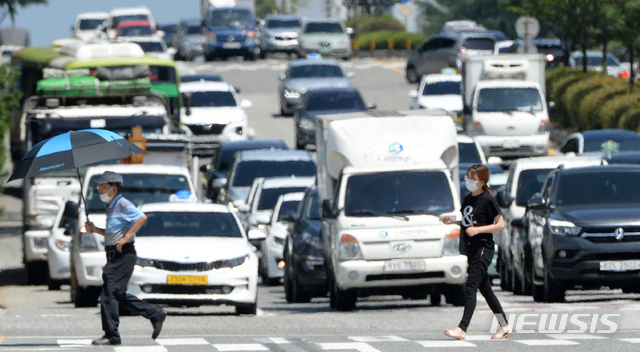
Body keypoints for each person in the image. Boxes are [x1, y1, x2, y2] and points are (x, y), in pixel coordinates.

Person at [85, 171, 167, 346]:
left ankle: (111, 335)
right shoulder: (111, 206)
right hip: (115, 253)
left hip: (123, 254)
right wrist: (95, 229)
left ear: (113, 188)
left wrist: (127, 237)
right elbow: (112, 233)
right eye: (99, 186)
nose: (98, 189)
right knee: (117, 295)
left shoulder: (122, 203)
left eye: (103, 186)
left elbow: (141, 218)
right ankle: (155, 313)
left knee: (108, 294)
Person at [442, 164, 511, 340]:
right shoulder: (467, 199)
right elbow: (469, 222)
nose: (468, 181)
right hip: (471, 249)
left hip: (484, 248)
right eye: (467, 177)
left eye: (471, 179)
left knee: (471, 286)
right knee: (486, 290)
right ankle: (505, 326)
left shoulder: (488, 200)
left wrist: (478, 230)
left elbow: (500, 224)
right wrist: (453, 223)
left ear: (481, 181)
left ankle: (462, 328)